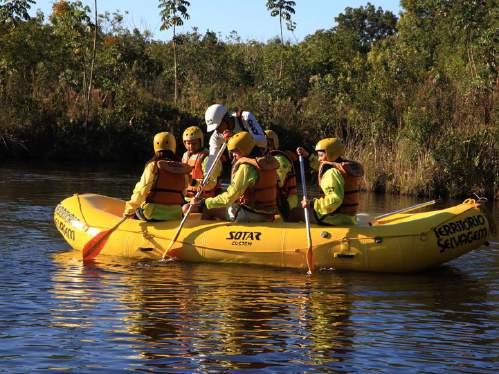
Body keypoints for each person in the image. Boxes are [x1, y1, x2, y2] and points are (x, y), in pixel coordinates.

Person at [184, 131, 279, 222]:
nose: (233, 155)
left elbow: (229, 198)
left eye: (235, 151)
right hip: (268, 214)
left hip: (249, 214)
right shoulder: (266, 162)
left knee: (202, 208)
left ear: (244, 149)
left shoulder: (246, 167)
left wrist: (204, 203)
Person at [124, 132, 191, 221]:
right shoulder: (182, 169)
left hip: (152, 214)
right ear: (173, 146)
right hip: (176, 214)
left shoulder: (153, 166)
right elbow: (184, 192)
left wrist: (129, 211)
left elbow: (141, 190)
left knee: (137, 210)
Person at [296, 138, 364, 226]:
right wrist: (308, 156)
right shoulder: (342, 167)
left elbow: (335, 199)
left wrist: (312, 203)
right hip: (349, 217)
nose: (319, 159)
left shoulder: (331, 173)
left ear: (330, 154)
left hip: (334, 218)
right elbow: (320, 166)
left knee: (295, 213)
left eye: (321, 155)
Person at [204, 104, 267, 170]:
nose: (218, 131)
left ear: (226, 118)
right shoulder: (216, 136)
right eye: (215, 128)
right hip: (241, 167)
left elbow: (263, 141)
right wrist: (206, 176)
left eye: (219, 126)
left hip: (260, 162)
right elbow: (212, 160)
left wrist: (235, 138)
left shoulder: (245, 117)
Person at [264, 129, 300, 221]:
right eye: (264, 144)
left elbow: (278, 181)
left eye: (268, 144)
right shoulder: (267, 160)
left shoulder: (280, 160)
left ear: (274, 144)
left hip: (286, 205)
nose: (265, 147)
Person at [181, 125, 222, 200]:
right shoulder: (185, 156)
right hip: (187, 196)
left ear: (200, 142)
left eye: (194, 143)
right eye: (188, 143)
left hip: (203, 198)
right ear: (184, 143)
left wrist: (193, 182)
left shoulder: (207, 158)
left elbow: (211, 183)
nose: (191, 146)